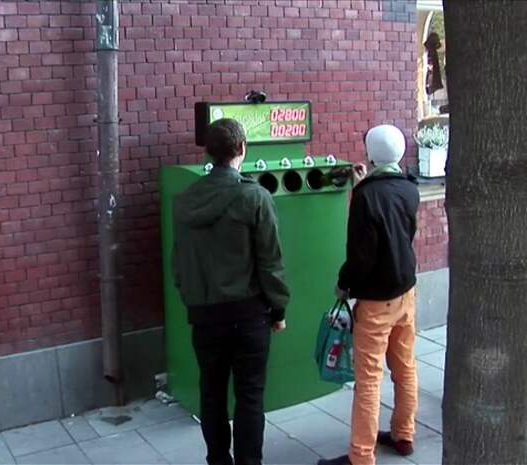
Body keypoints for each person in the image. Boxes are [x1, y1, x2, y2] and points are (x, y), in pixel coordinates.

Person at [171, 118, 290, 465]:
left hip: (205, 315)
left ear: (208, 151)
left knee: (212, 392)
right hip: (249, 314)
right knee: (250, 396)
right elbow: (271, 262)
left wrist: (194, 300)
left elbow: (179, 263)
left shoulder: (186, 200)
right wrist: (278, 310)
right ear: (241, 149)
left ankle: (218, 460)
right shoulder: (255, 197)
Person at [319, 124, 420, 465]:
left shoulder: (366, 197)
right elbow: (391, 221)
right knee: (405, 367)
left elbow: (361, 255)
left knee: (369, 380)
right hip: (406, 292)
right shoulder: (409, 189)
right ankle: (404, 435)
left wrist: (344, 284)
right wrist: (364, 184)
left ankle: (361, 456)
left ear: (371, 154)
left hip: (376, 301)